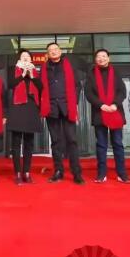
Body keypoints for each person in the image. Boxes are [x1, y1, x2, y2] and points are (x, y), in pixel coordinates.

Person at [40, 42, 86, 184]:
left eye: (55, 49)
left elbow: (77, 86)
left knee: (72, 140)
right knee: (55, 142)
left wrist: (74, 102)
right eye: (50, 50)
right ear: (47, 54)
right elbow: (40, 88)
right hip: (51, 108)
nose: (53, 51)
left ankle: (76, 173)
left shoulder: (69, 66)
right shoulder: (44, 69)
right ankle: (58, 171)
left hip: (67, 107)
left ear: (60, 51)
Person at [84, 49, 130, 183]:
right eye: (98, 56)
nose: (101, 58)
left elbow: (122, 91)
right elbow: (89, 93)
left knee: (118, 144)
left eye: (104, 56)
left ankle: (122, 174)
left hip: (115, 111)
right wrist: (101, 105)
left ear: (108, 58)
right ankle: (101, 174)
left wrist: (115, 104)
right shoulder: (91, 74)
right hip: (99, 112)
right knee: (101, 144)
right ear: (95, 60)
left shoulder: (116, 72)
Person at [7, 49, 42, 185]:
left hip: (31, 108)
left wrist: (31, 75)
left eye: (28, 56)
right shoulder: (13, 69)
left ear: (31, 59)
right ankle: (17, 173)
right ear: (19, 59)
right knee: (16, 143)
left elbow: (41, 87)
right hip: (17, 107)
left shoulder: (35, 72)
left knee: (29, 143)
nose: (26, 58)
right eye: (23, 56)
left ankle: (26, 172)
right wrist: (23, 74)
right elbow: (11, 84)